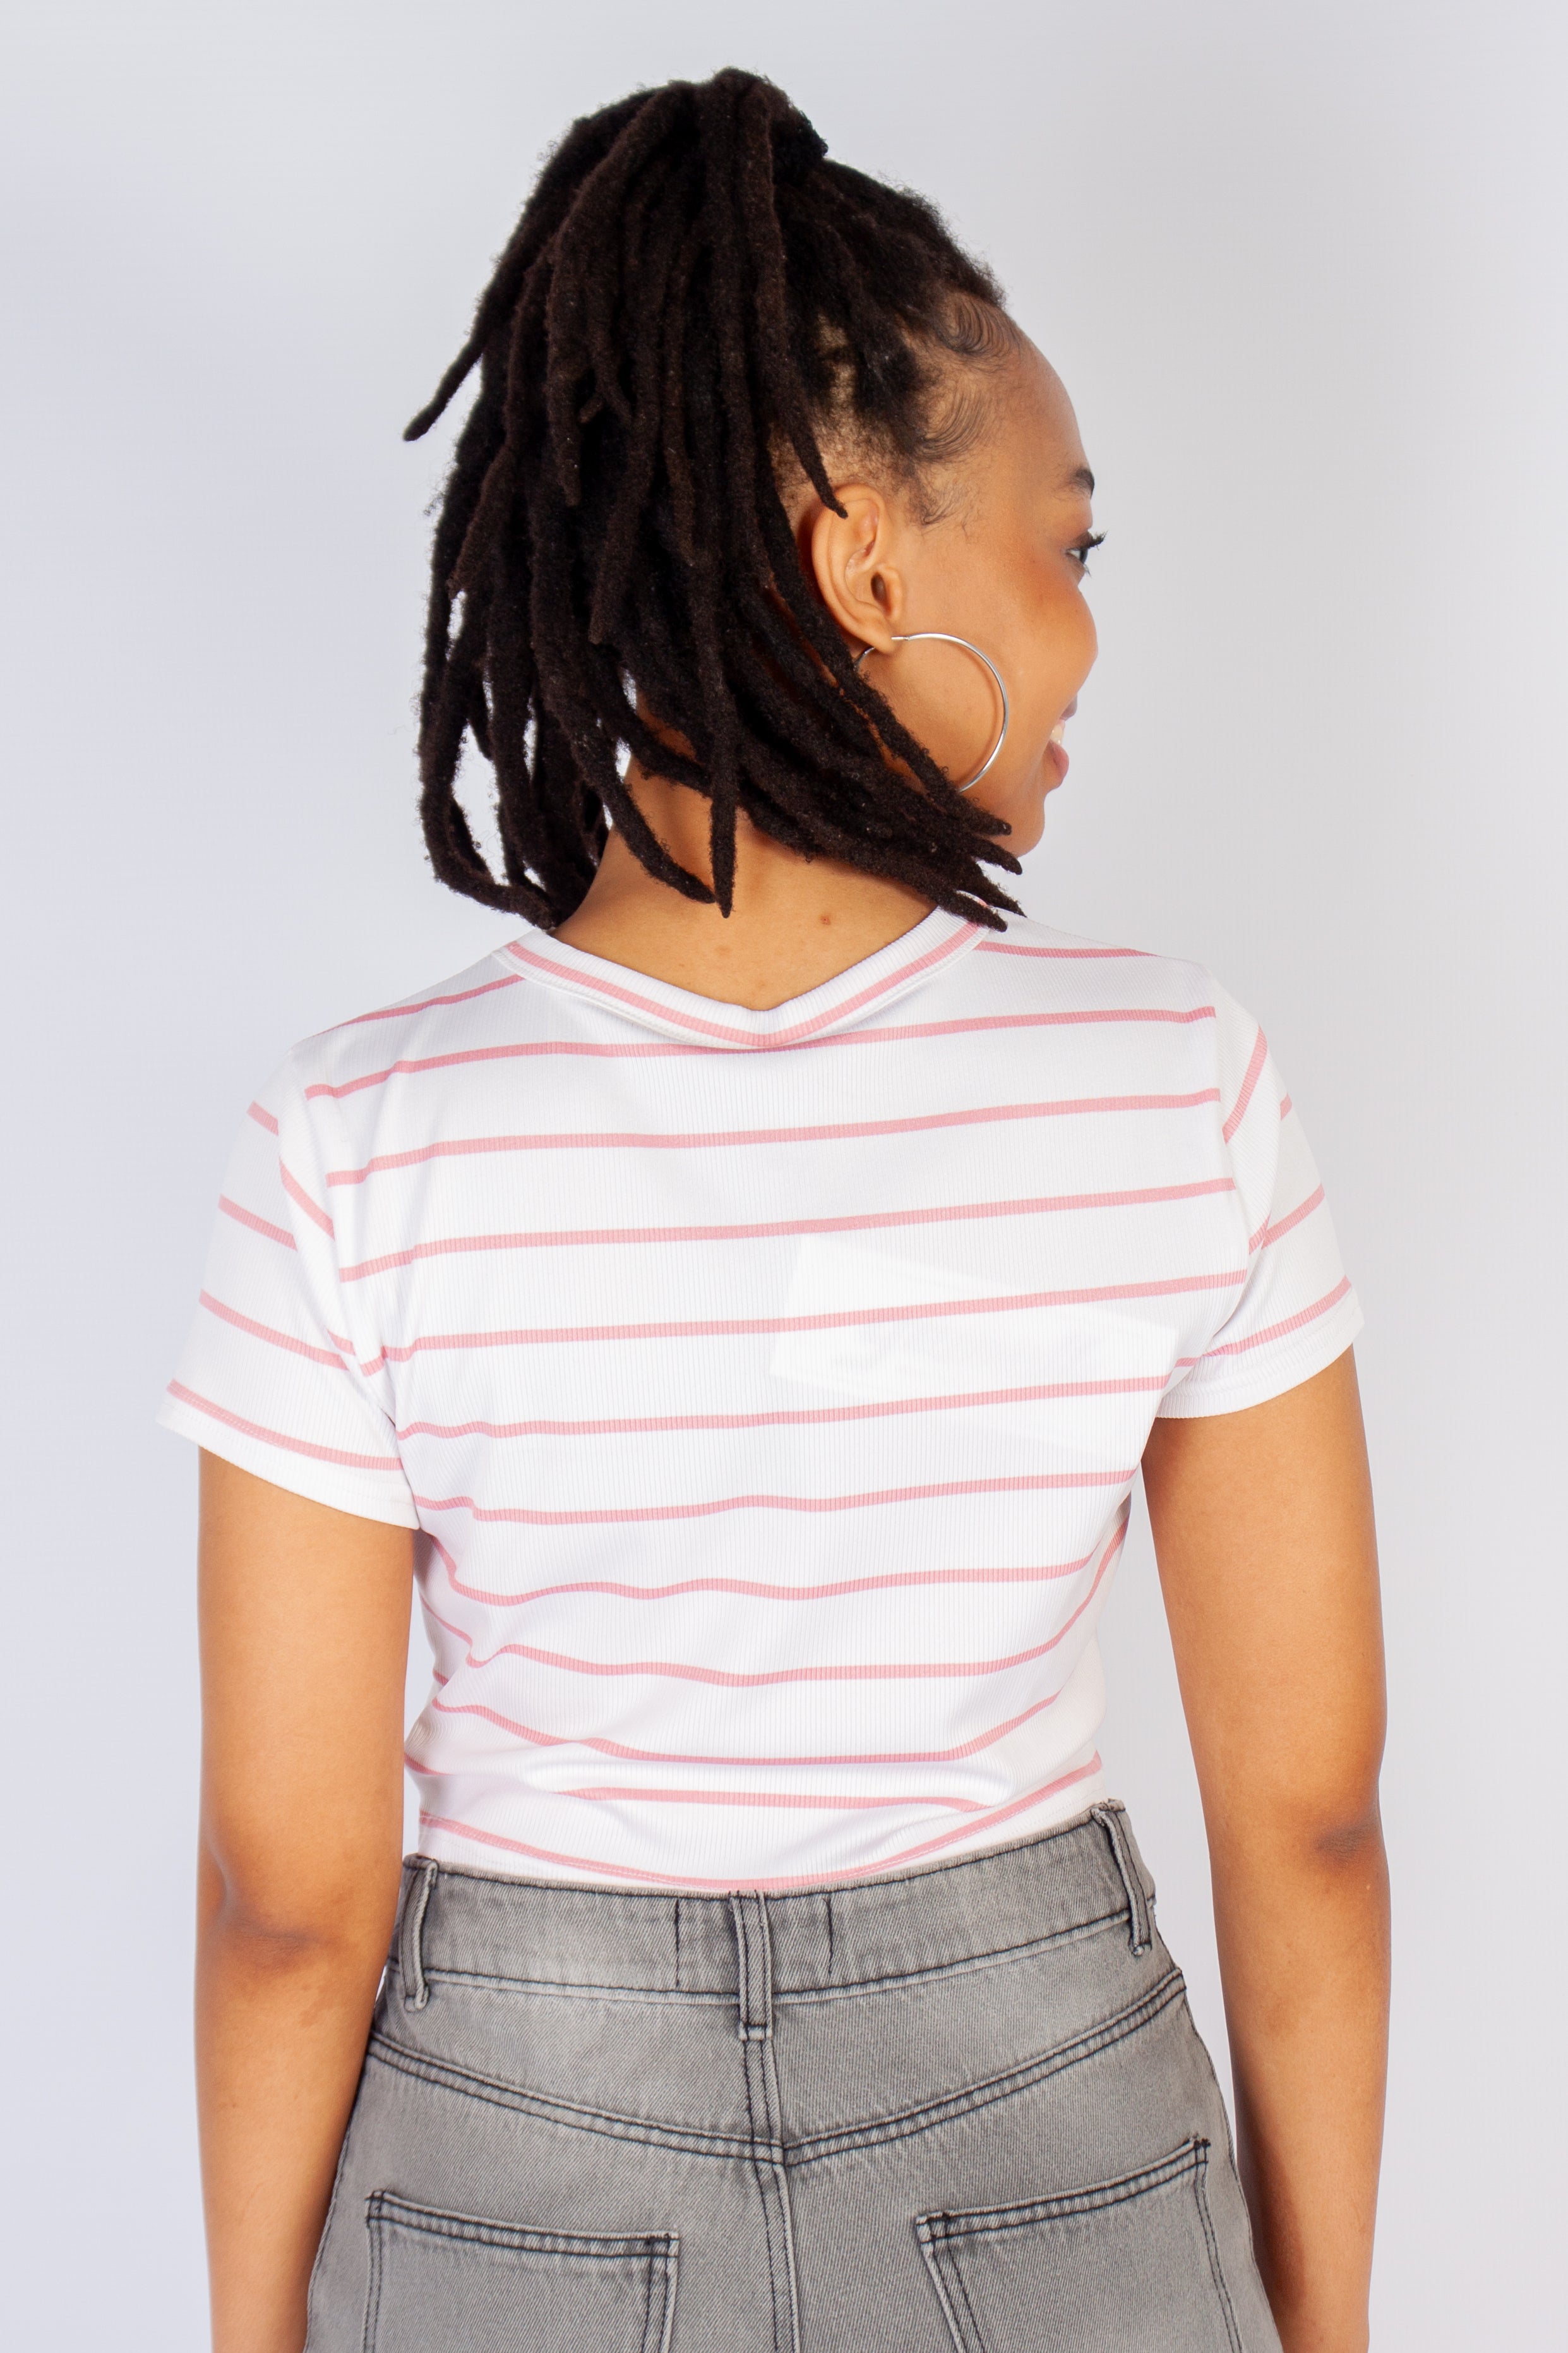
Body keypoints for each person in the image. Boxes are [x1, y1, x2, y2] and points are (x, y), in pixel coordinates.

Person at [162, 67, 1388, 2353]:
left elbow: (290, 1907)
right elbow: (1305, 1820)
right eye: (1069, 548)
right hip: (1050, 2127)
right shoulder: (1174, 1079)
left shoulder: (356, 1136)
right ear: (864, 562)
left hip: (514, 2140)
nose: (1088, 631)